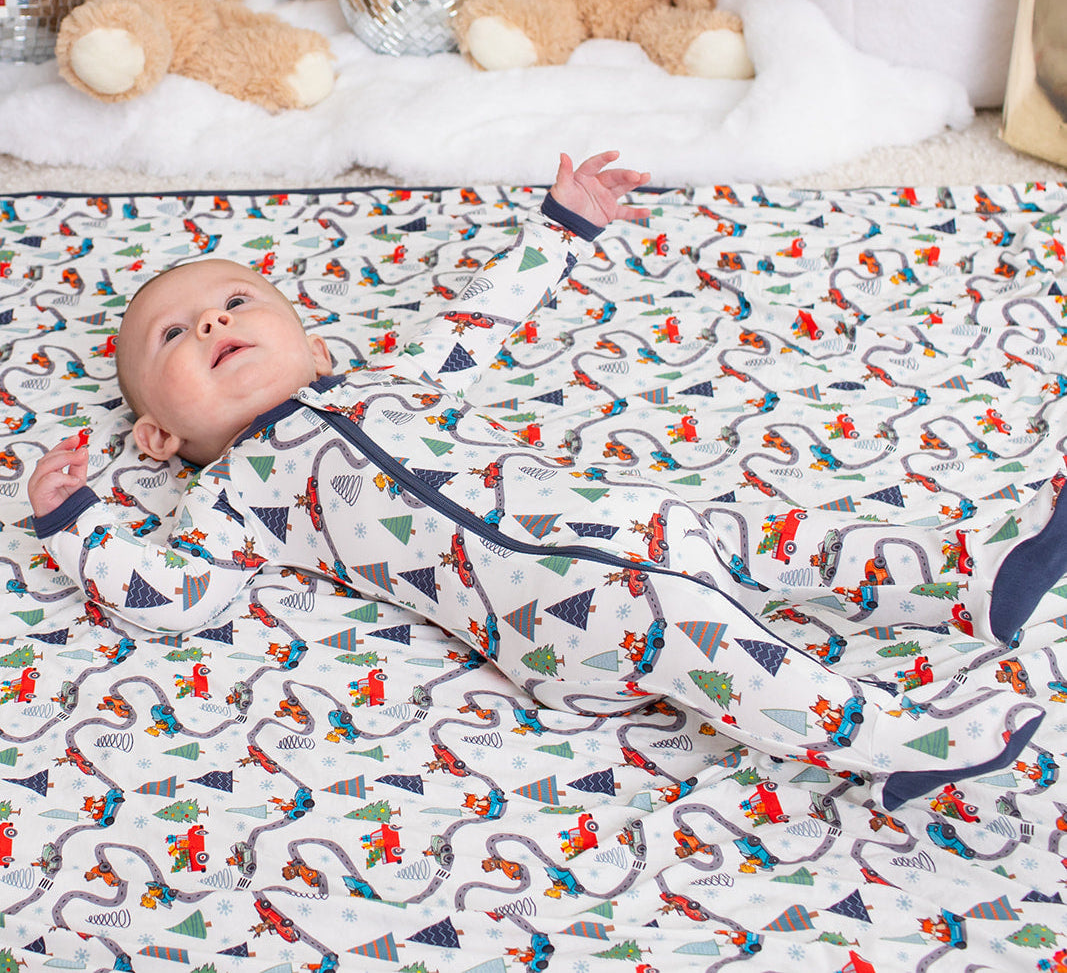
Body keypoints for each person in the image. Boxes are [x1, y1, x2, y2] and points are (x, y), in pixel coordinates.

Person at [28, 151, 1057, 810]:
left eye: (236, 299)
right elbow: (172, 595)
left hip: (633, 522)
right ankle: (886, 740)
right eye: (174, 331)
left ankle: (963, 574)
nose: (213, 321)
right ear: (159, 435)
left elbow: (476, 324)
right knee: (708, 635)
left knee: (760, 532)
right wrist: (74, 518)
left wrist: (559, 227)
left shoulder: (388, 379)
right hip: (560, 612)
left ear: (311, 341)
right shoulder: (232, 497)